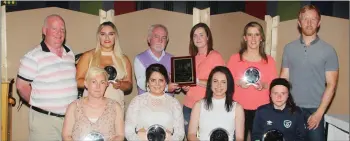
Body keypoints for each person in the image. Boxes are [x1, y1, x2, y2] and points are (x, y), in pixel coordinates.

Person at [280, 4, 339, 141]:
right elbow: (284, 79)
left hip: (315, 111)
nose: (309, 23)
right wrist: (281, 106)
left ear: (319, 22)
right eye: (305, 19)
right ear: (299, 22)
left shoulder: (328, 51)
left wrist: (319, 113)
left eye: (313, 19)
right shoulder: (289, 48)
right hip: (291, 109)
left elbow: (331, 84)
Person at [15, 14, 77, 140]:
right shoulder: (33, 56)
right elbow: (21, 87)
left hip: (70, 120)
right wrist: (38, 102)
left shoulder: (69, 52)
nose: (59, 33)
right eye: (54, 29)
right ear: (44, 31)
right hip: (45, 122)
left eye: (62, 29)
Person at [226, 21, 278, 141]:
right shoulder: (234, 59)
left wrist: (264, 85)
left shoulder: (269, 61)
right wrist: (237, 82)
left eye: (256, 34)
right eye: (249, 35)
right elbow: (225, 82)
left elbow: (275, 86)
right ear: (245, 38)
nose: (253, 38)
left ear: (261, 38)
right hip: (238, 109)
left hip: (262, 110)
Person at [76, 21, 132, 110]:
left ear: (115, 37)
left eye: (111, 34)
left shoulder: (123, 59)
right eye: (103, 34)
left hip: (115, 107)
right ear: (99, 37)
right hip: (91, 107)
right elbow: (78, 82)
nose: (107, 37)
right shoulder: (88, 56)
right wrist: (94, 82)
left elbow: (129, 85)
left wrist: (120, 84)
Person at [182, 23, 226, 136]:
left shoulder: (215, 56)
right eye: (195, 36)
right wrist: (185, 86)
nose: (198, 38)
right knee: (190, 137)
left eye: (201, 35)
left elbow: (219, 83)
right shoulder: (191, 58)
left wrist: (195, 80)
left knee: (206, 136)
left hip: (207, 106)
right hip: (188, 106)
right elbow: (189, 83)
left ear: (208, 37)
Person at [125, 63, 184, 141]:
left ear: (166, 82)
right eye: (153, 80)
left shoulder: (174, 103)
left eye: (161, 80)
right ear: (147, 82)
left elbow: (180, 134)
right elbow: (128, 132)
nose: (157, 84)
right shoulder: (137, 101)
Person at [62, 67, 124, 140]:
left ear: (107, 84)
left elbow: (120, 135)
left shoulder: (115, 107)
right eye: (94, 82)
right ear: (86, 84)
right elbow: (66, 135)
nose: (98, 87)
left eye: (102, 82)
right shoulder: (74, 107)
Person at [187, 66, 245, 141]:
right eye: (215, 81)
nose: (219, 85)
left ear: (229, 84)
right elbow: (191, 134)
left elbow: (239, 138)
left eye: (223, 82)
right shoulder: (199, 105)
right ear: (210, 83)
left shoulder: (237, 108)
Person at [134, 24, 179, 96]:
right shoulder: (140, 58)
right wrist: (166, 88)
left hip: (167, 104)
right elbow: (142, 83)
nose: (160, 40)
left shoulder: (172, 59)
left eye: (163, 38)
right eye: (156, 36)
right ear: (149, 39)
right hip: (147, 104)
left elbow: (176, 82)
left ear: (166, 41)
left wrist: (177, 86)